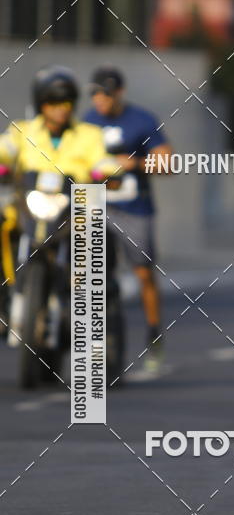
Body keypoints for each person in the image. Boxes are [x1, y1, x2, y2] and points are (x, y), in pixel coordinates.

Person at [0, 65, 119, 344]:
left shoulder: (89, 134)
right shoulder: (22, 130)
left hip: (73, 210)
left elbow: (102, 159)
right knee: (3, 227)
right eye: (53, 103)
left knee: (99, 238)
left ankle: (88, 306)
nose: (60, 109)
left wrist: (109, 171)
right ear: (42, 104)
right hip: (28, 206)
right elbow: (6, 148)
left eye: (65, 103)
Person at [84, 66, 172, 375]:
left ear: (119, 93)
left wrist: (132, 163)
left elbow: (167, 163)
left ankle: (153, 334)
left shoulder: (141, 120)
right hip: (95, 207)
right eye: (95, 93)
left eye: (105, 94)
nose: (100, 100)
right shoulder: (85, 122)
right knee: (86, 273)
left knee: (144, 274)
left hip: (134, 208)